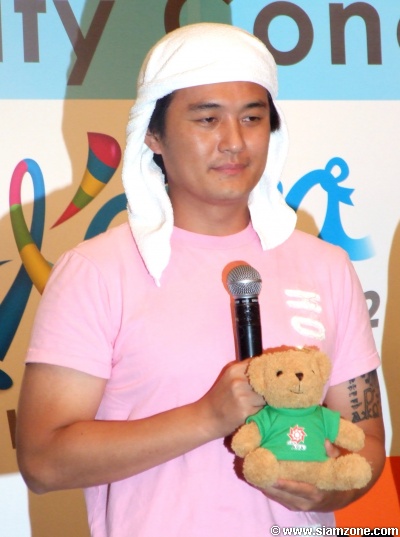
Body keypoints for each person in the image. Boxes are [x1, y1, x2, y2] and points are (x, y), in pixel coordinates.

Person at [16, 23, 385, 536]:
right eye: (208, 119)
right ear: (153, 134)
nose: (234, 142)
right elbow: (43, 461)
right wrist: (207, 418)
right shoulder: (97, 271)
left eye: (252, 118)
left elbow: (368, 440)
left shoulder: (326, 266)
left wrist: (331, 490)